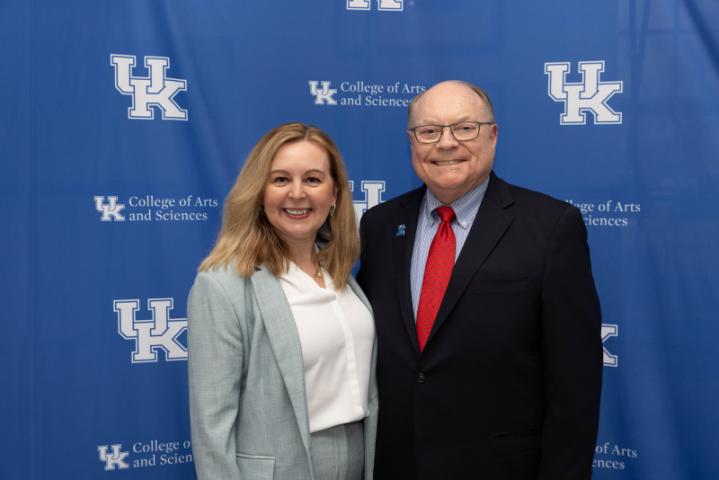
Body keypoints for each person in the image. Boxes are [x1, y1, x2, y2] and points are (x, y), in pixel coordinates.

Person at [357, 80, 602, 480]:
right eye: (429, 131)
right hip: (394, 464)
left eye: (464, 128)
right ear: (412, 141)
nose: (446, 143)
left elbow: (575, 387)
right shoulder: (381, 225)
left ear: (493, 135)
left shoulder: (552, 226)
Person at [188, 122, 377, 480]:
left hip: (358, 456)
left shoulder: (341, 275)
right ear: (259, 192)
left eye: (313, 179)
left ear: (335, 193)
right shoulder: (224, 285)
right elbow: (212, 428)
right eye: (280, 180)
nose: (297, 194)